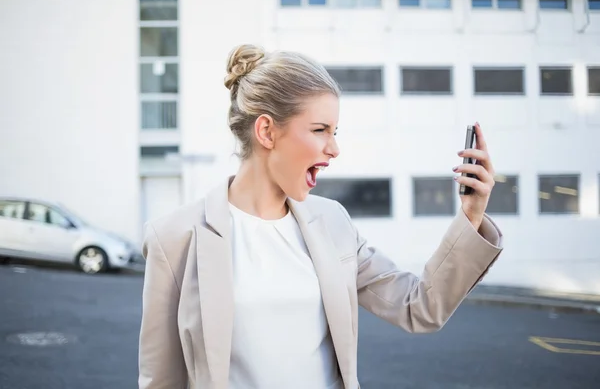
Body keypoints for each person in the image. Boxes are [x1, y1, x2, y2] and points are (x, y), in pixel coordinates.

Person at [138, 44, 504, 389]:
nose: (334, 149)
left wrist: (471, 215)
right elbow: (161, 381)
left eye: (335, 132)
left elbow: (420, 306)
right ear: (266, 131)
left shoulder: (333, 224)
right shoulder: (174, 238)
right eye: (319, 130)